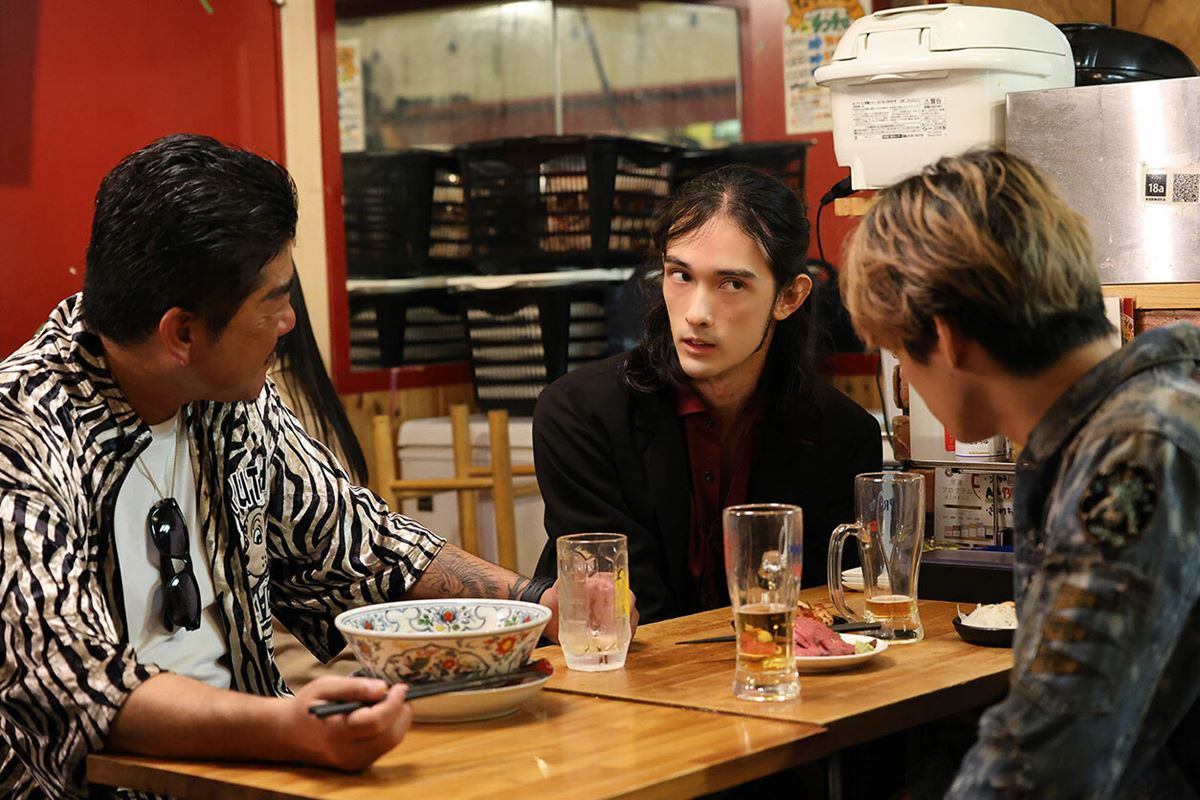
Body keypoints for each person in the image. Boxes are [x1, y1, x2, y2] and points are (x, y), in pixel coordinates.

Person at [0, 134, 580, 799]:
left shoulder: (233, 399)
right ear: (181, 334)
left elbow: (356, 542)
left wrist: (536, 604)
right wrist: (288, 728)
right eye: (272, 301)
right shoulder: (21, 432)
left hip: (258, 775)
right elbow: (71, 683)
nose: (290, 321)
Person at [842, 148, 1200, 797]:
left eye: (899, 353)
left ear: (947, 338)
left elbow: (1050, 753)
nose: (908, 384)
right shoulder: (1149, 405)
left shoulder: (1136, 451)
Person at [532, 165, 882, 623]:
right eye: (680, 275)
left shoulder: (843, 435)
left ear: (789, 297)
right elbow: (629, 607)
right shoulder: (580, 414)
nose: (697, 313)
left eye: (732, 284)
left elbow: (819, 608)